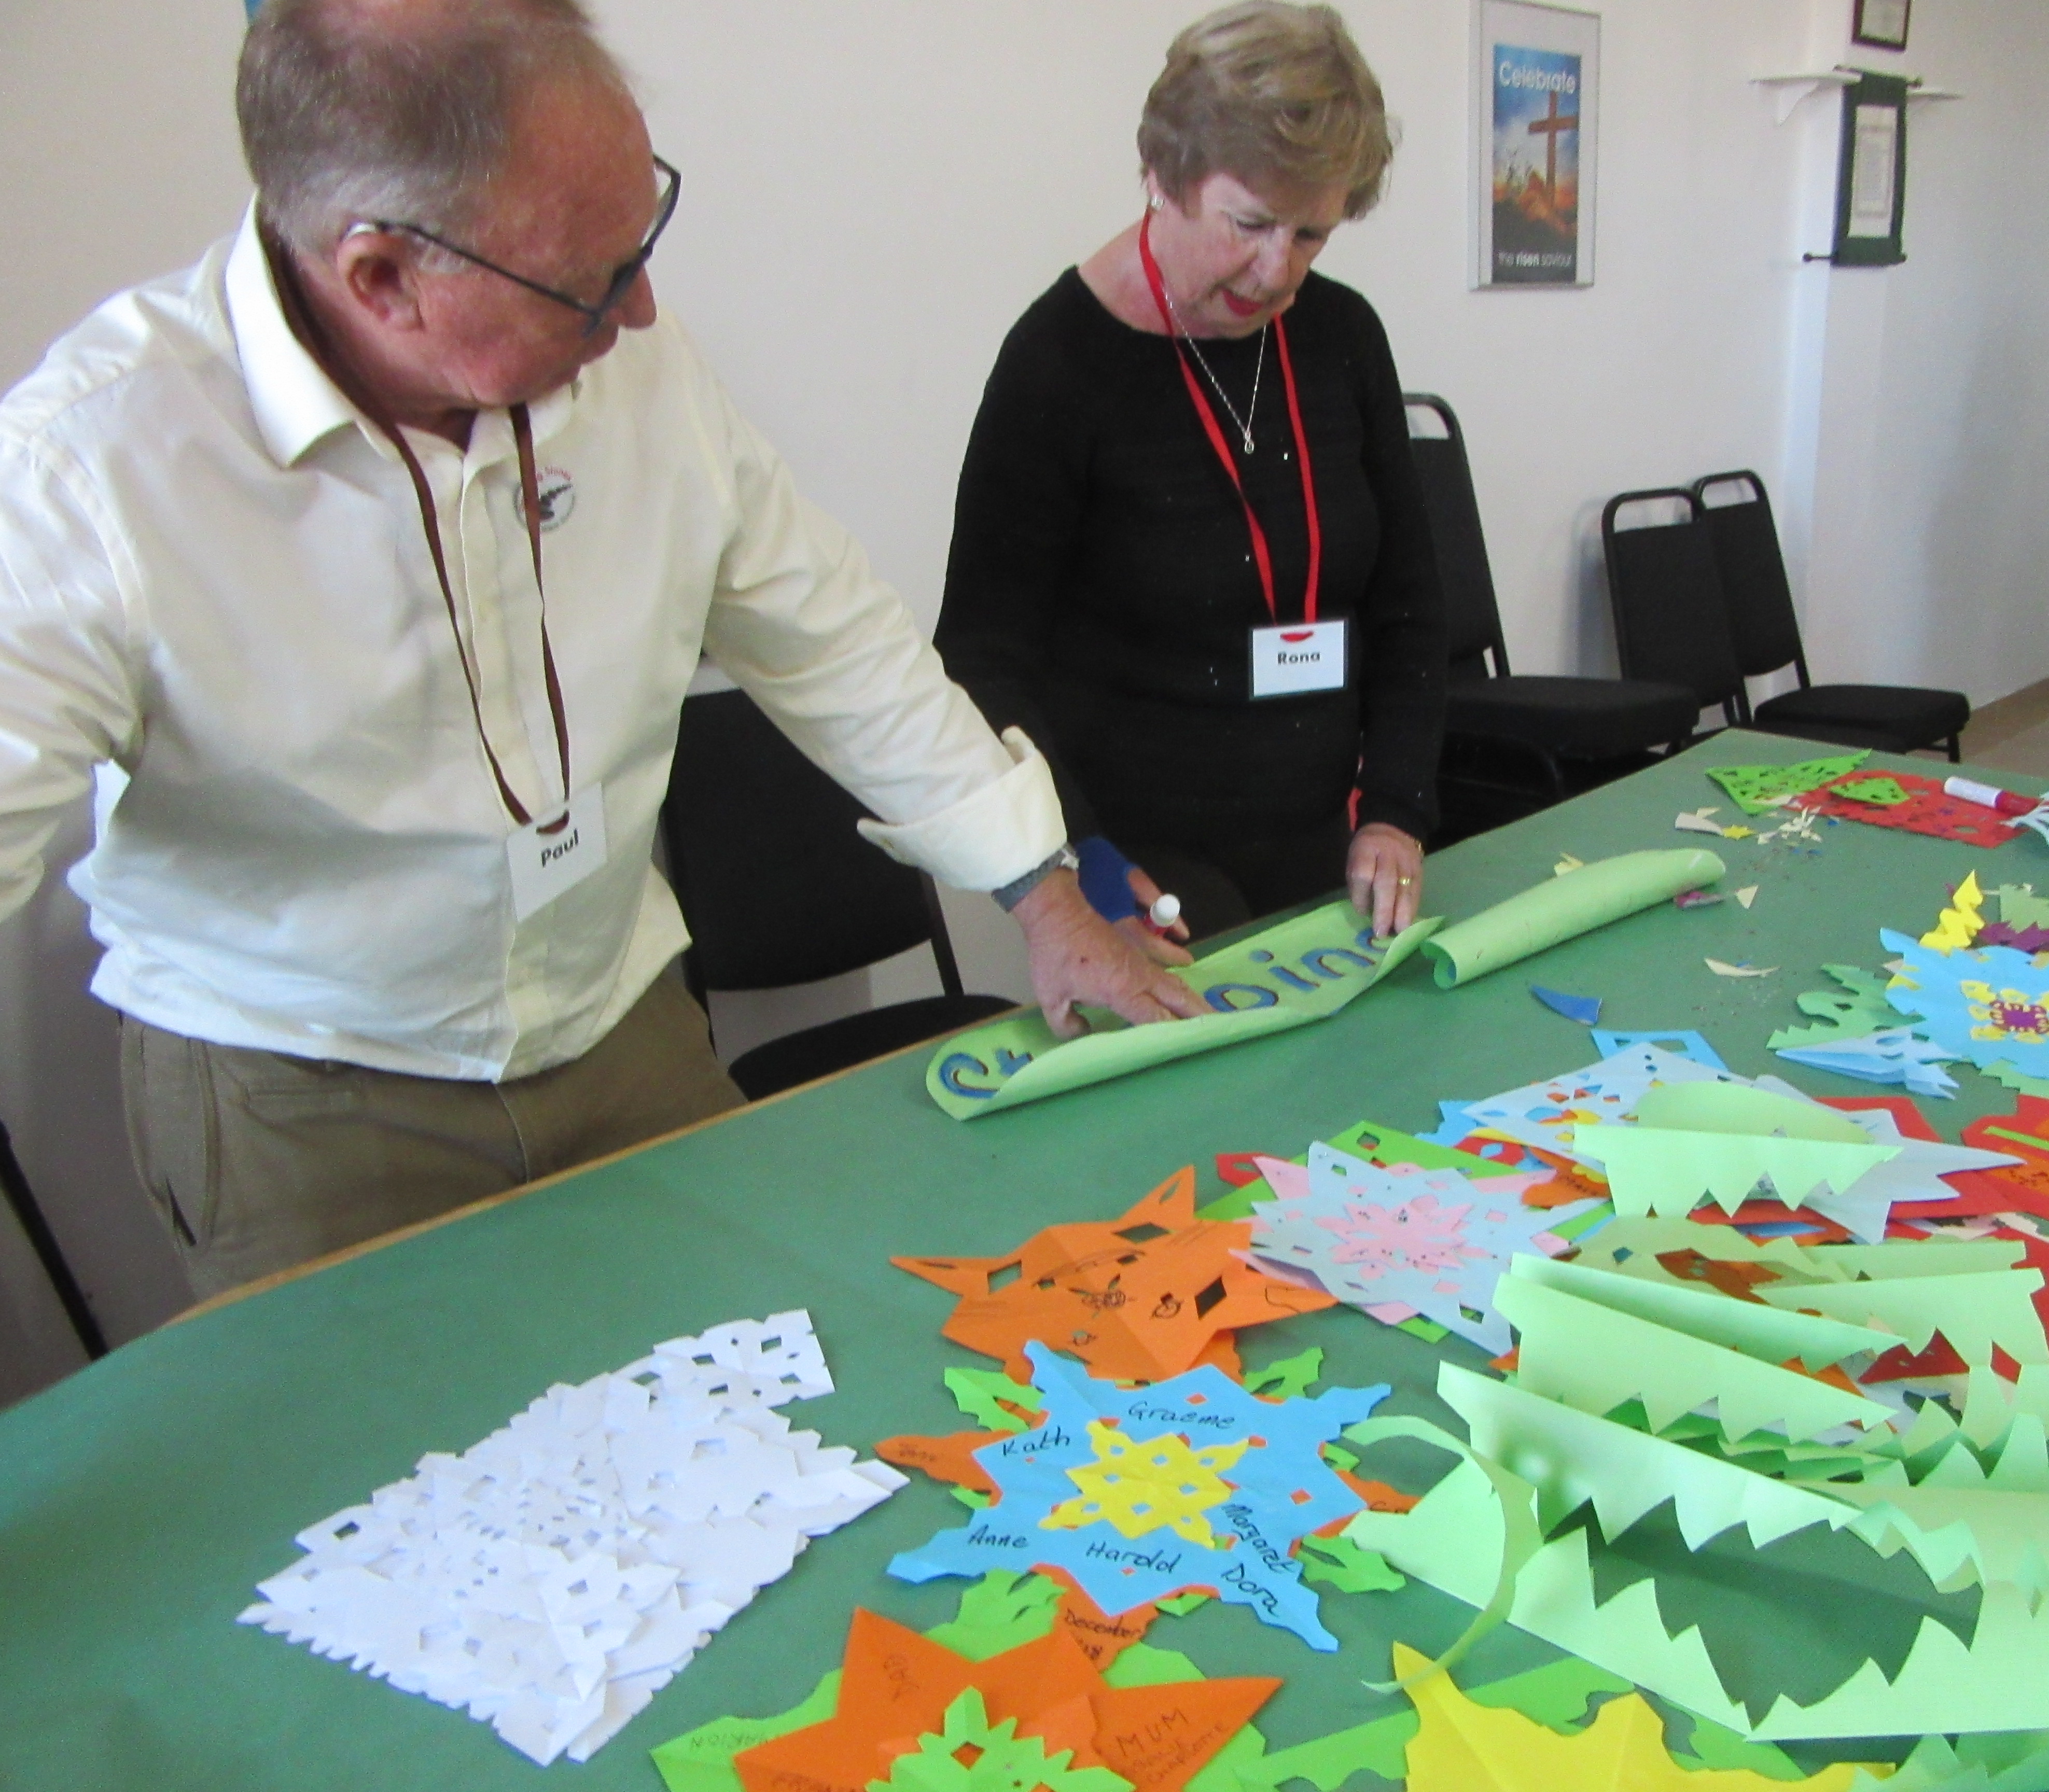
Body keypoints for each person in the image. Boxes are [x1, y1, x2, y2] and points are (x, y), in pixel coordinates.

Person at [0, 0, 1202, 1300]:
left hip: (618, 1021)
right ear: (382, 278)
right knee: (396, 1478)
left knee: (757, 1401)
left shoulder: (640, 368)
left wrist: (1042, 893)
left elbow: (838, 643)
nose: (640, 311)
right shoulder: (92, 467)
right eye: (590, 278)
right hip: (310, 1093)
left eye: (645, 236)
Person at [935, 1, 1446, 961]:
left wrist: (1397, 809)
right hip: (1143, 871)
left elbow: (1412, 603)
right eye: (1250, 223)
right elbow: (982, 655)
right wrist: (1075, 860)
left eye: (1312, 236)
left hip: (1333, 844)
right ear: (1163, 178)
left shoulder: (1342, 339)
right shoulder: (1058, 366)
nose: (1277, 270)